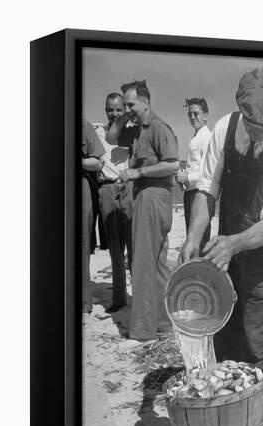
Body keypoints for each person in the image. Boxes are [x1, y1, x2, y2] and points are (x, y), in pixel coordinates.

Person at [180, 68, 263, 410]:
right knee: (226, 339)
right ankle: (228, 421)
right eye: (255, 127)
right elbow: (206, 190)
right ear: (243, 114)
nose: (261, 135)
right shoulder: (224, 127)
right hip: (229, 258)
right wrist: (193, 237)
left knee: (256, 349)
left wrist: (232, 243)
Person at [119, 80, 179, 348]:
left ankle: (143, 331)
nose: (127, 109)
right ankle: (164, 325)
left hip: (153, 197)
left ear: (146, 101)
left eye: (130, 104)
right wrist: (123, 117)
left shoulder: (158, 127)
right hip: (152, 198)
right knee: (156, 265)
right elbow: (110, 137)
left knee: (143, 263)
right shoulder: (138, 130)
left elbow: (173, 164)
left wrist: (139, 172)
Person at [93, 93, 139, 313]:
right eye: (111, 110)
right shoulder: (97, 132)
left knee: (134, 245)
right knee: (115, 248)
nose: (115, 113)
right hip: (107, 190)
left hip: (129, 188)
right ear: (105, 111)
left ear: (124, 109)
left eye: (119, 109)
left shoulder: (133, 131)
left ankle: (139, 296)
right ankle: (119, 298)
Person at [175, 98, 212, 250]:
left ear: (205, 115)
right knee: (191, 236)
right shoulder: (196, 137)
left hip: (200, 194)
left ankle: (200, 270)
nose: (192, 117)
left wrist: (186, 177)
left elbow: (207, 171)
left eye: (196, 113)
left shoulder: (207, 137)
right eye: (190, 114)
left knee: (199, 238)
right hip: (190, 192)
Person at [81, 118, 105, 316]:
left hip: (81, 187)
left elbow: (97, 162)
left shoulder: (84, 126)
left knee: (81, 246)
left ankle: (83, 302)